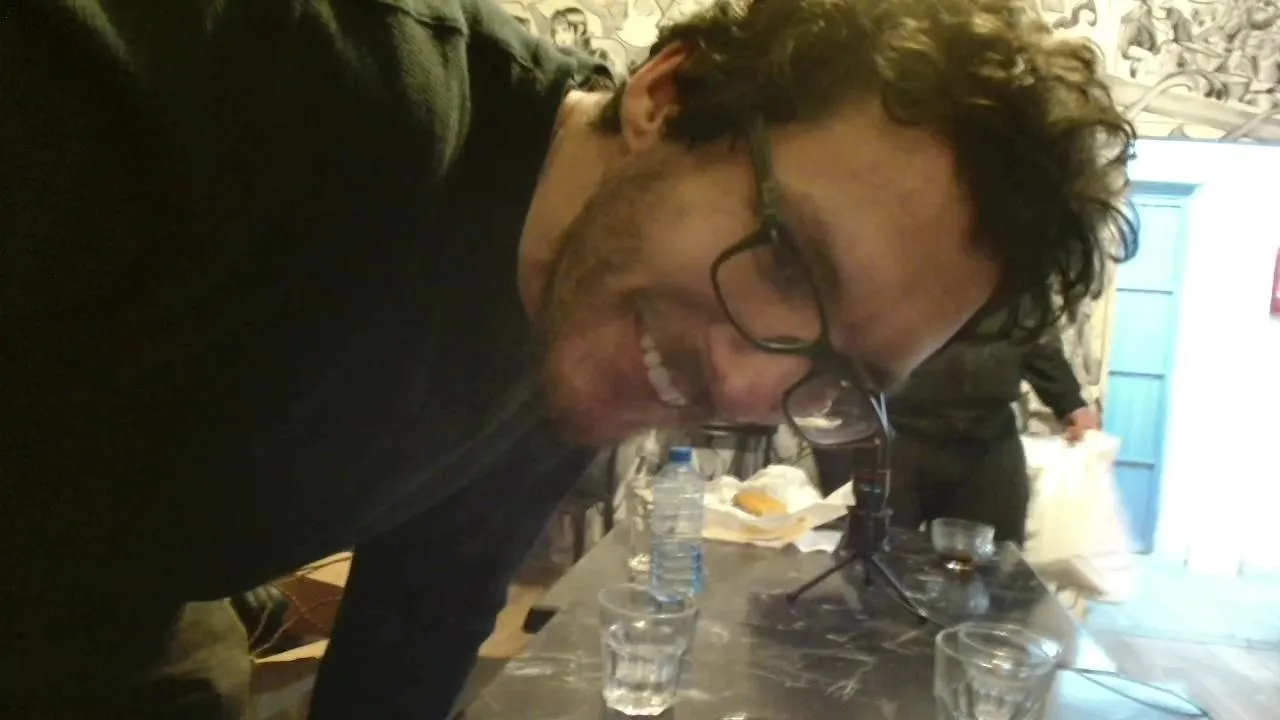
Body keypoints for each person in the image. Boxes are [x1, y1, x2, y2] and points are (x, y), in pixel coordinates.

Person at [0, 0, 1137, 717]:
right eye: (788, 258)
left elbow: (426, 606)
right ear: (667, 99)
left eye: (842, 373)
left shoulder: (589, 327)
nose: (750, 389)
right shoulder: (247, 82)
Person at [884, 330, 1101, 544]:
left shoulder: (1018, 306)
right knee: (883, 550)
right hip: (898, 434)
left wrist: (1072, 403)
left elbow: (1034, 334)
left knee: (994, 554)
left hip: (988, 438)